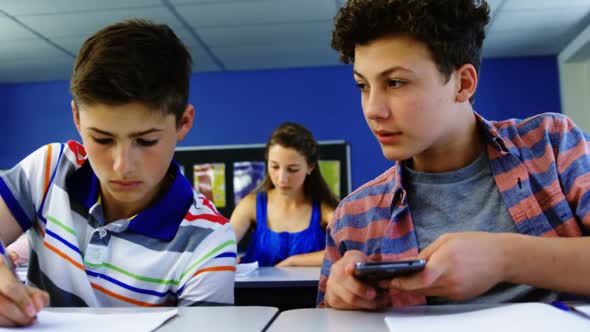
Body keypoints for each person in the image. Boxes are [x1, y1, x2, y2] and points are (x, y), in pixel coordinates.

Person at [319, 0, 590, 310]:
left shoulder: (553, 145)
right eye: (363, 85)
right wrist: (340, 298)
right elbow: (326, 319)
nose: (372, 110)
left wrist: (504, 258)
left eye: (395, 82)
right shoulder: (352, 217)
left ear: (463, 83)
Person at [0, 19, 237, 326]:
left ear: (184, 123)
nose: (122, 166)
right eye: (102, 139)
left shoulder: (209, 241)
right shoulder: (48, 169)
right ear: (76, 118)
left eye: (146, 141)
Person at [230, 123, 339, 267]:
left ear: (310, 167)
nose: (282, 179)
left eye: (292, 169)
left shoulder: (325, 208)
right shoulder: (251, 205)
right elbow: (220, 247)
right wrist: (226, 257)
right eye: (274, 167)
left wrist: (293, 262)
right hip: (257, 291)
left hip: (311, 290)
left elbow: (347, 250)